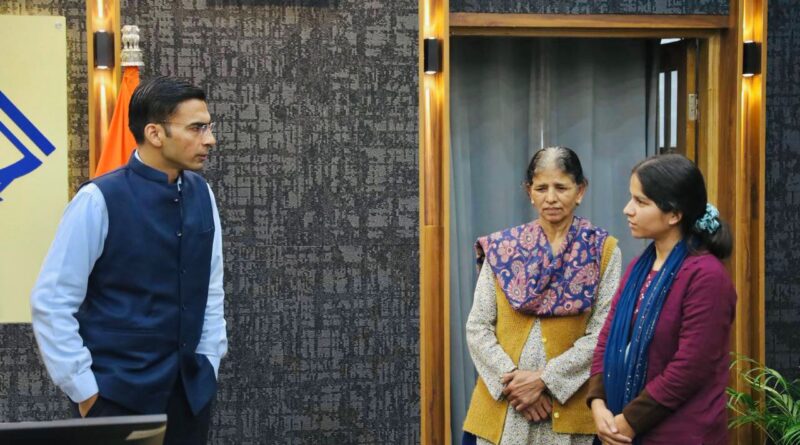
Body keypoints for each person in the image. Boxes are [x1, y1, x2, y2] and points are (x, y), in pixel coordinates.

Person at [30, 76, 227, 445]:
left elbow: (211, 290)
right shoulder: (98, 199)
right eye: (196, 128)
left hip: (190, 395)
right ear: (154, 133)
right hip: (115, 398)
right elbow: (52, 301)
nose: (210, 139)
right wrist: (86, 392)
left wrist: (208, 360)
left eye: (208, 127)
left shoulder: (203, 194)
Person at [463, 146, 622, 445]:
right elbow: (478, 326)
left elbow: (604, 332)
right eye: (541, 188)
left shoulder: (602, 250)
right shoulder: (502, 249)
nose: (551, 197)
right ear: (529, 192)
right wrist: (515, 385)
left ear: (580, 190)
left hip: (568, 409)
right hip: (504, 408)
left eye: (561, 187)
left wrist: (544, 380)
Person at [588, 153, 736, 445]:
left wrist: (630, 421)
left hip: (681, 434)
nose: (627, 209)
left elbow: (690, 367)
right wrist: (598, 402)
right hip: (620, 425)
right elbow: (606, 338)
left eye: (641, 202)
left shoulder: (706, 276)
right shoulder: (639, 268)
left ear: (674, 214)